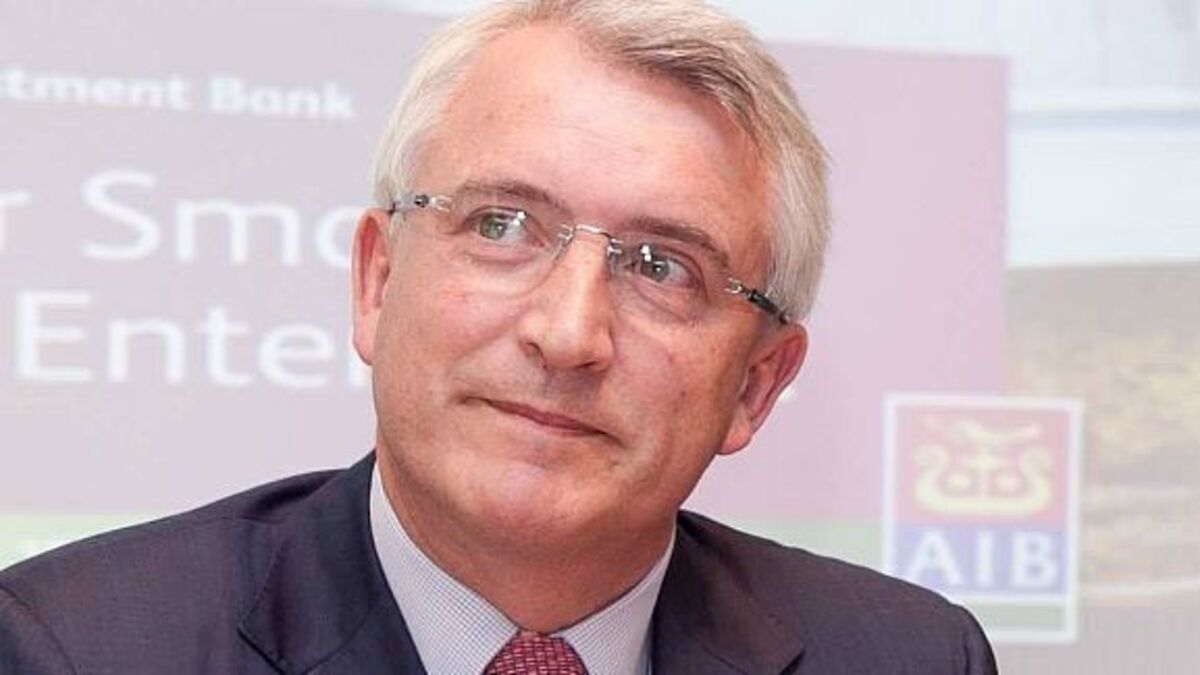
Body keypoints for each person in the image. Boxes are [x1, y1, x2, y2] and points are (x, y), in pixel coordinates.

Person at [0, 1, 997, 673]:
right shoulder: (76, 649)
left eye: (662, 267)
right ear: (376, 280)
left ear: (756, 385)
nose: (568, 333)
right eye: (501, 225)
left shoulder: (909, 657)